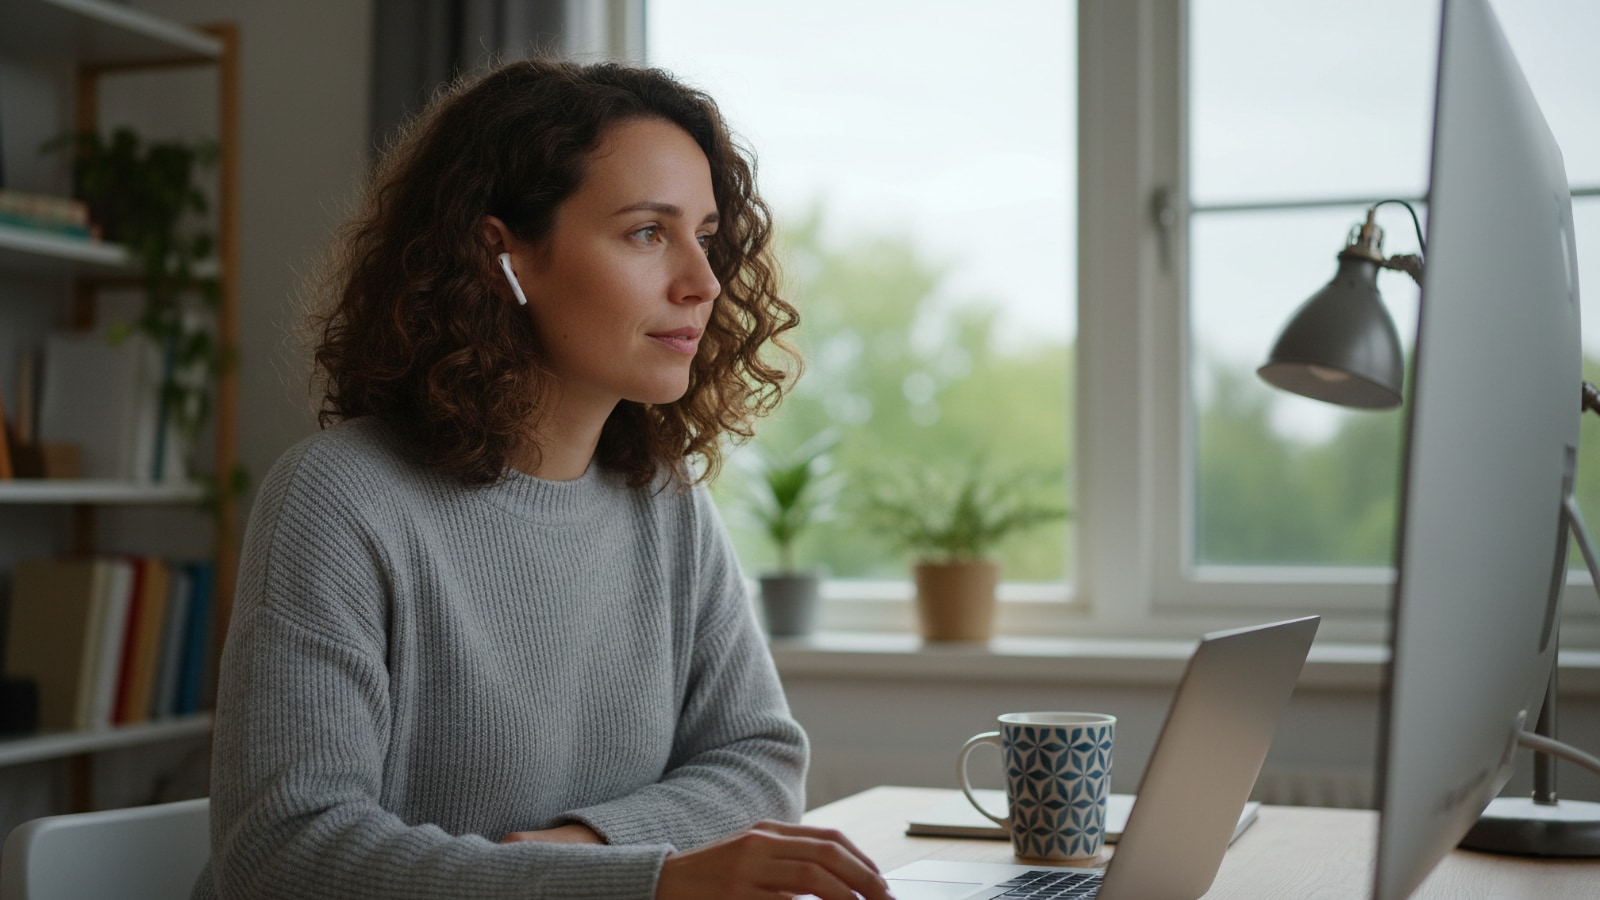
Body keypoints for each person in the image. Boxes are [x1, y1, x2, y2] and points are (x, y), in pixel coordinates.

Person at [191, 59, 893, 900]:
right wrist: (642, 884)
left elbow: (760, 762)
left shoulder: (664, 500)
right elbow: (285, 852)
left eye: (704, 237)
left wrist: (591, 847)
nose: (703, 283)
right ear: (502, 257)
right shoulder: (338, 500)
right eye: (646, 232)